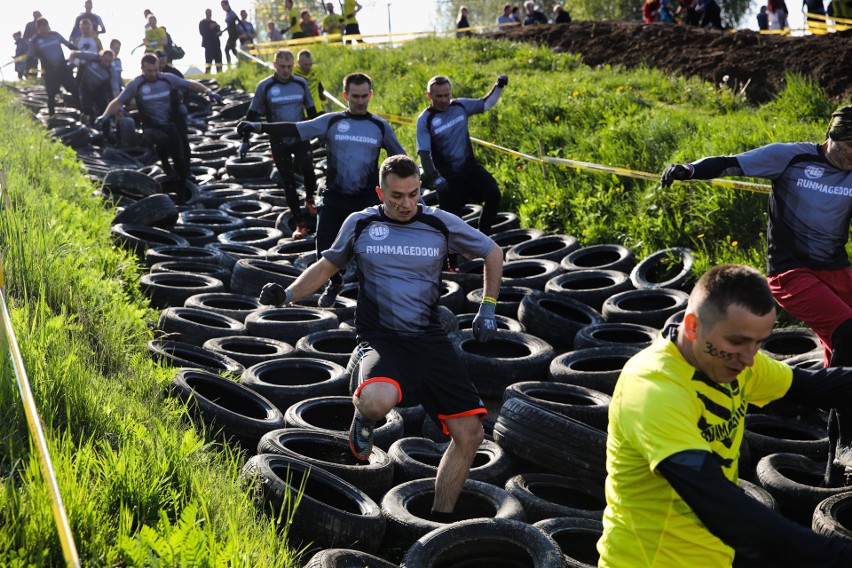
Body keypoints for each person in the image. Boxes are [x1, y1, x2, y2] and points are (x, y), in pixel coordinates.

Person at [257, 154, 503, 520]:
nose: (406, 204)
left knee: (470, 435)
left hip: (430, 340)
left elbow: (493, 251)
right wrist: (289, 294)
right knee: (375, 401)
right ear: (380, 192)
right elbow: (327, 266)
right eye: (396, 196)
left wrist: (488, 307)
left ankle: (436, 521)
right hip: (383, 339)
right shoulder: (360, 223)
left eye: (413, 194)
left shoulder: (440, 223)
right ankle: (363, 418)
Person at [598, 263, 852, 567]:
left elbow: (817, 386)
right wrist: (837, 555)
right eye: (737, 342)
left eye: (758, 343)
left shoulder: (732, 362)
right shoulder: (653, 390)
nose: (748, 359)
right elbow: (716, 500)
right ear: (692, 327)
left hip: (713, 556)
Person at [661, 105, 852, 457]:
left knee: (841, 352)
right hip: (790, 271)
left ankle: (804, 406)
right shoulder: (790, 157)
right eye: (849, 147)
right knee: (849, 332)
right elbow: (729, 162)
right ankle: (846, 441)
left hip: (837, 270)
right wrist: (689, 170)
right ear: (832, 137)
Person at [237, 72, 406, 308]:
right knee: (324, 252)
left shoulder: (380, 126)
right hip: (334, 198)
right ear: (345, 95)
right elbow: (295, 128)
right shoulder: (332, 121)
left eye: (364, 96)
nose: (359, 101)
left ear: (370, 95)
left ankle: (377, 299)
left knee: (373, 255)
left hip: (366, 200)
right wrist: (258, 126)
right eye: (354, 96)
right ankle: (334, 283)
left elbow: (400, 160)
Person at [96, 53, 223, 202]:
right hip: (151, 126)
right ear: (142, 69)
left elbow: (190, 84)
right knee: (160, 139)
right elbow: (118, 101)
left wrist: (209, 92)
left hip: (170, 123)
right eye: (149, 71)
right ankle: (166, 166)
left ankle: (182, 193)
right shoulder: (136, 84)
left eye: (156, 70)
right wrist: (105, 115)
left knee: (179, 157)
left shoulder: (167, 78)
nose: (153, 74)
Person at [416, 75, 507, 240]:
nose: (444, 100)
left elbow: (486, 103)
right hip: (447, 176)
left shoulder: (460, 105)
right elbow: (424, 154)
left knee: (493, 194)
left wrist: (499, 86)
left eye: (447, 95)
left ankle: (485, 232)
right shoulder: (425, 120)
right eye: (439, 96)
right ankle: (454, 261)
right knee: (451, 223)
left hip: (469, 167)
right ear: (429, 96)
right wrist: (435, 178)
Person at [243, 49, 318, 240]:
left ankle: (310, 200)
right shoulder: (265, 86)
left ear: (294, 66)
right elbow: (252, 115)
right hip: (278, 141)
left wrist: (323, 132)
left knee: (309, 171)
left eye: (289, 67)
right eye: (282, 67)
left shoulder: (300, 83)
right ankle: (300, 224)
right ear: (275, 65)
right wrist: (245, 140)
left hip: (300, 137)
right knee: (288, 182)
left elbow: (311, 110)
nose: (286, 71)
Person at [28, 17, 80, 116]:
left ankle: (81, 112)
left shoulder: (55, 35)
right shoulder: (35, 40)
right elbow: (30, 57)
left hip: (63, 69)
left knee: (74, 90)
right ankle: (51, 117)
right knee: (51, 95)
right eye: (41, 28)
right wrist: (28, 70)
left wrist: (80, 50)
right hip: (50, 72)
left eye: (45, 27)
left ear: (48, 26)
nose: (44, 30)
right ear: (38, 29)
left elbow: (68, 45)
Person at [69, 48, 114, 121]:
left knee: (104, 108)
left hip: (100, 91)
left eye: (109, 62)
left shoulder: (111, 70)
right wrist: (71, 63)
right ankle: (88, 122)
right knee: (86, 109)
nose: (107, 64)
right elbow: (74, 54)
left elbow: (114, 88)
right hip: (86, 89)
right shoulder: (92, 57)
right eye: (105, 61)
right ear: (101, 57)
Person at [293, 49, 328, 114]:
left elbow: (320, 87)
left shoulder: (316, 69)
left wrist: (325, 104)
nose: (308, 67)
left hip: (318, 109)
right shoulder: (292, 73)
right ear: (298, 62)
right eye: (305, 65)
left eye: (310, 64)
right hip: (302, 112)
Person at [199, 9, 223, 74]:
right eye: (207, 13)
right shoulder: (202, 23)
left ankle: (220, 75)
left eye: (210, 13)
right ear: (205, 14)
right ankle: (207, 76)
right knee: (208, 62)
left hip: (216, 45)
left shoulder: (214, 23)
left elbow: (219, 33)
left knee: (219, 62)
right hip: (208, 45)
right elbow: (202, 32)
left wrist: (218, 28)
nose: (209, 14)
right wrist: (210, 27)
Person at [221, 0, 242, 66]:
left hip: (233, 35)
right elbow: (229, 26)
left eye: (223, 6)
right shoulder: (227, 14)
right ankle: (242, 62)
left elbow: (239, 22)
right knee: (233, 50)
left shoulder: (232, 13)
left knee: (226, 49)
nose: (222, 8)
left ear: (226, 5)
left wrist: (243, 32)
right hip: (231, 34)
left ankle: (229, 66)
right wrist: (222, 31)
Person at [23, 11, 41, 76]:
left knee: (44, 62)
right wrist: (30, 44)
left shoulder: (44, 24)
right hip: (33, 47)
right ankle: (32, 76)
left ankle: (44, 77)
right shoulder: (29, 25)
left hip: (43, 46)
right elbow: (25, 37)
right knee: (33, 62)